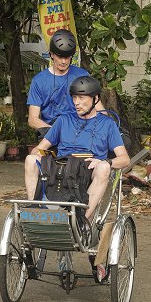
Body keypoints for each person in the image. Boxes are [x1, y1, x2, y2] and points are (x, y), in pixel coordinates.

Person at [25, 76, 130, 220]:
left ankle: (82, 221)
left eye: (81, 98)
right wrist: (47, 154)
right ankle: (36, 212)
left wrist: (106, 162)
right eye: (74, 98)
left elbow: (124, 159)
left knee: (104, 168)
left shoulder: (107, 124)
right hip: (63, 166)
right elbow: (38, 149)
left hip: (89, 168)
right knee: (31, 159)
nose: (76, 103)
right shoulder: (63, 120)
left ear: (95, 98)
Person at [27, 29, 105, 139]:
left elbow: (100, 109)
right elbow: (32, 119)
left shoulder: (82, 75)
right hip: (52, 131)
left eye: (67, 57)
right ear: (51, 54)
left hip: (81, 130)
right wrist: (56, 132)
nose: (64, 61)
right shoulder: (39, 81)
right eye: (60, 57)